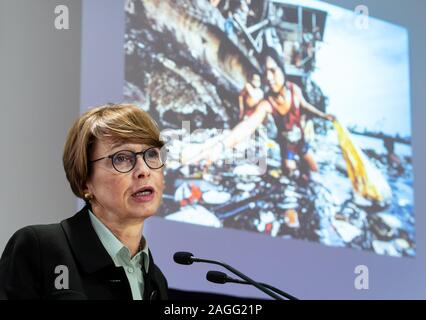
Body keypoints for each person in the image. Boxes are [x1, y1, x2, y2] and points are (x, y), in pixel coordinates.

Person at [0, 103, 168, 300]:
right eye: (122, 158)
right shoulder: (40, 249)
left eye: (152, 154)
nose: (144, 170)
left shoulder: (157, 279)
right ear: (85, 181)